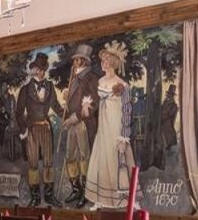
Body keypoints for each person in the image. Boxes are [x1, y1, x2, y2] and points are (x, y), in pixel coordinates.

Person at [84, 42, 135, 209]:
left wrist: (124, 137)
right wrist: (87, 105)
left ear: (112, 62)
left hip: (115, 128)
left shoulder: (122, 84)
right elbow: (97, 102)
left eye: (106, 60)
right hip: (103, 128)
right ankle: (101, 198)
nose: (103, 62)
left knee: (117, 161)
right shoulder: (100, 81)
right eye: (103, 60)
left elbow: (127, 111)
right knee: (102, 160)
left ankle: (124, 199)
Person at [15, 52, 64, 206]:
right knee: (33, 163)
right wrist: (24, 129)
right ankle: (35, 197)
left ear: (44, 70)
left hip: (46, 128)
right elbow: (18, 112)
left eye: (42, 69)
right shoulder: (25, 89)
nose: (39, 71)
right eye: (37, 68)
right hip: (32, 130)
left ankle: (49, 196)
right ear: (33, 69)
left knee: (49, 162)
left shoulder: (50, 86)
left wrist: (66, 116)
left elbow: (56, 106)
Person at [61, 44, 100, 207]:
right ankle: (76, 189)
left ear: (84, 61)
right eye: (74, 60)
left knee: (84, 157)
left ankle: (85, 191)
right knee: (70, 157)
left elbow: (94, 102)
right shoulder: (73, 78)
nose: (75, 63)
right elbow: (73, 101)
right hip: (72, 124)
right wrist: (67, 101)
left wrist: (76, 116)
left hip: (83, 123)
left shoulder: (91, 78)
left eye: (77, 60)